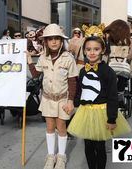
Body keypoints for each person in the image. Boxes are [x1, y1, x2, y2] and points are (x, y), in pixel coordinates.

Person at [67, 26, 131, 169]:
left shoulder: (108, 72)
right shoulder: (83, 71)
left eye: (96, 49)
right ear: (84, 51)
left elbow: (113, 97)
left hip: (102, 112)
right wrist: (72, 103)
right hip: (86, 112)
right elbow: (80, 91)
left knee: (100, 146)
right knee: (88, 146)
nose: (92, 52)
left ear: (102, 50)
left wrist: (112, 118)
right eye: (88, 49)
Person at [27, 24, 78, 169]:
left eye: (57, 38)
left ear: (62, 41)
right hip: (48, 99)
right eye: (50, 39)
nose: (54, 42)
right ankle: (51, 156)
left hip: (63, 99)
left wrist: (70, 101)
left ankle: (61, 156)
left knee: (61, 127)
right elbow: (36, 75)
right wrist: (30, 60)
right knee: (50, 127)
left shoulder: (68, 58)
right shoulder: (43, 57)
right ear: (46, 42)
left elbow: (72, 81)